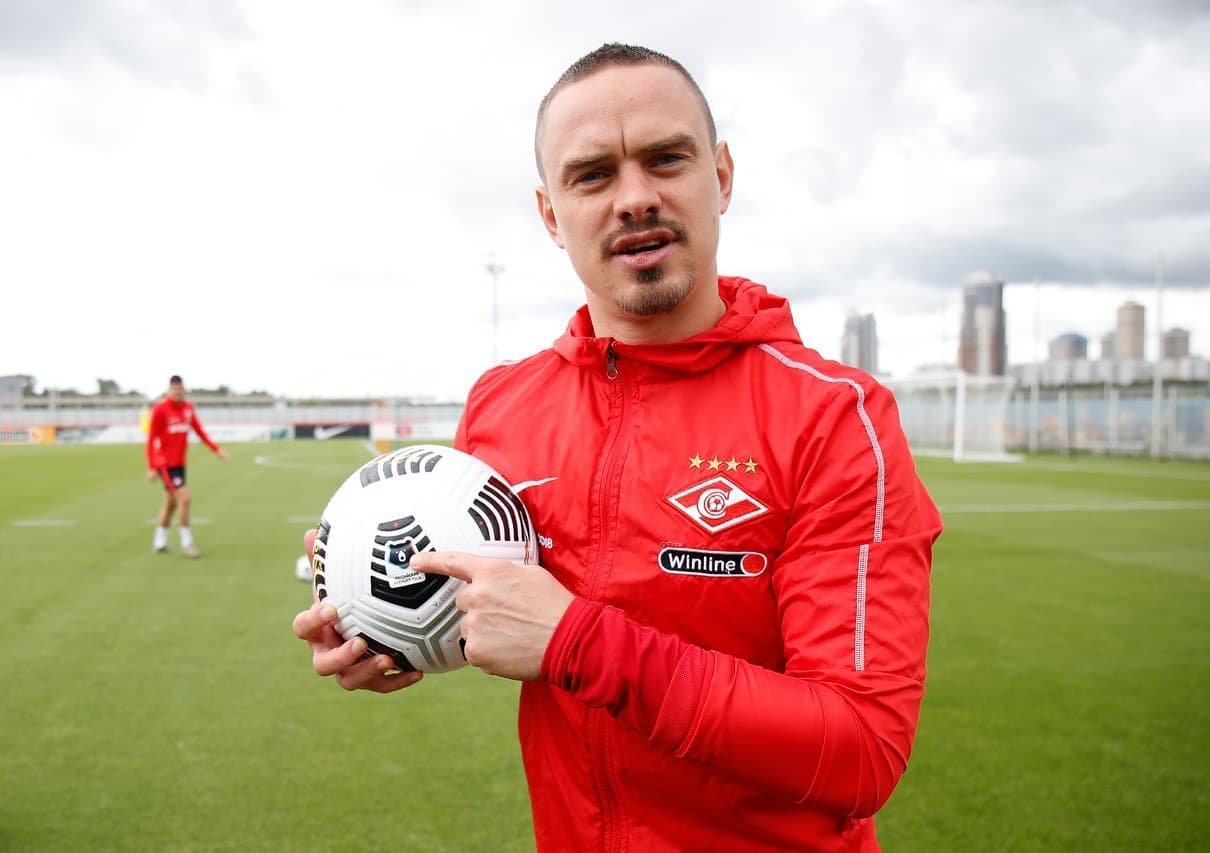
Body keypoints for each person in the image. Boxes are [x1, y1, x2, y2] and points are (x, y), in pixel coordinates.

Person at [292, 44, 941, 851]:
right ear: (550, 214)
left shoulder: (835, 417)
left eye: (666, 159)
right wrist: (384, 626)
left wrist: (578, 640)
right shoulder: (501, 408)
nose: (635, 198)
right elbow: (479, 607)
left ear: (722, 176)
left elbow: (860, 748)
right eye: (592, 175)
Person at [146, 375, 227, 557]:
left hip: (180, 464)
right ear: (169, 390)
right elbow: (151, 439)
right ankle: (187, 543)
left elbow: (199, 431)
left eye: (180, 389)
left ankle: (159, 542)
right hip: (165, 465)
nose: (177, 392)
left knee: (171, 504)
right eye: (174, 389)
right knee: (185, 499)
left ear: (184, 390)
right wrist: (151, 467)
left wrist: (217, 450)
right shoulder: (160, 410)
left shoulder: (188, 409)